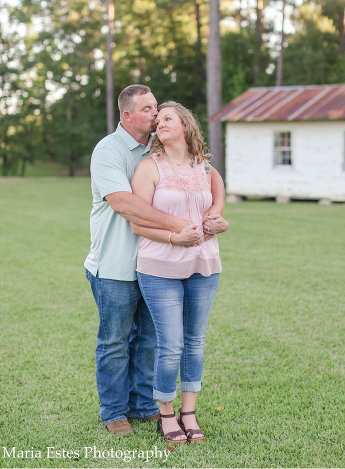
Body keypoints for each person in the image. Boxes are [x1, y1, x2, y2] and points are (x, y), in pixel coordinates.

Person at [84, 84, 227, 435]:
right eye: (148, 109)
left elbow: (207, 175)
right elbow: (123, 203)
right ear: (127, 115)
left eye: (158, 109)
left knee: (149, 341)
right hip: (116, 264)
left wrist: (215, 213)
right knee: (116, 341)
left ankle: (143, 405)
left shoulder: (158, 150)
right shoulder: (110, 150)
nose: (155, 113)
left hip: (155, 264)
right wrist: (180, 226)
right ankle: (114, 412)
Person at [130, 101, 227, 445]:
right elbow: (137, 221)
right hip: (159, 267)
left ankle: (190, 412)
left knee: (194, 343)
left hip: (204, 265)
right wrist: (174, 236)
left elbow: (217, 200)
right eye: (158, 120)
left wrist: (218, 219)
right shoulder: (148, 168)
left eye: (167, 118)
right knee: (170, 345)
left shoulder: (204, 167)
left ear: (185, 125)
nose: (160, 123)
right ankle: (166, 413)